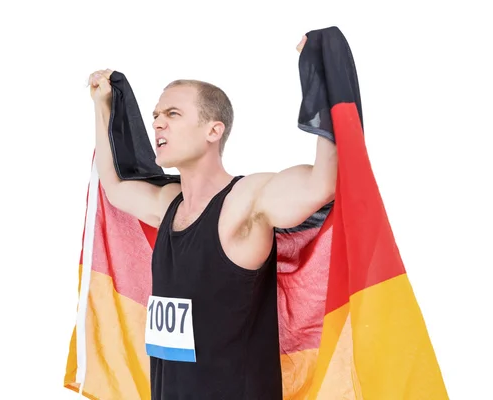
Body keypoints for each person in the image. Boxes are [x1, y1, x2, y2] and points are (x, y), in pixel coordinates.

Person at [87, 35, 337, 400]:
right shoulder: (167, 204)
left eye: (173, 114)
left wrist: (320, 73)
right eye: (156, 114)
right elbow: (113, 185)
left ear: (213, 130)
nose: (157, 123)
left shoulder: (245, 202)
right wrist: (102, 105)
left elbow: (322, 182)